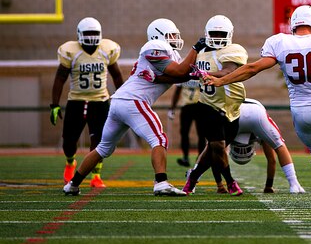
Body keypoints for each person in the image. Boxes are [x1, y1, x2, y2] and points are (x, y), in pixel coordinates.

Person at [204, 5, 311, 206]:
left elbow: (252, 68)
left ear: (293, 25)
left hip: (299, 114)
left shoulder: (279, 42)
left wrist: (221, 81)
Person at [63, 18, 207, 196]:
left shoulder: (169, 55)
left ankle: (72, 184)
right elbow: (180, 72)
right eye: (171, 35)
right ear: (158, 35)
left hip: (119, 102)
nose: (175, 38)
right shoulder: (153, 46)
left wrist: (200, 74)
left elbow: (180, 76)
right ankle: (161, 182)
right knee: (159, 139)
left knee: (103, 148)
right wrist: (195, 49)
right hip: (133, 101)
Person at [50, 17, 124, 188]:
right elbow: (60, 78)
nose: (91, 37)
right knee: (69, 141)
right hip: (76, 100)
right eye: (88, 33)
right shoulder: (71, 51)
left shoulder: (106, 50)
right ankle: (70, 163)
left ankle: (96, 176)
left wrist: (121, 97)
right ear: (79, 34)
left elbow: (117, 76)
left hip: (100, 101)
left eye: (94, 33)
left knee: (99, 141)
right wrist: (54, 104)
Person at [182, 15, 247, 197]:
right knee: (217, 145)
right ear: (206, 34)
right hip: (207, 105)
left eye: (221, 33)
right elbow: (183, 71)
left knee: (213, 149)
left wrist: (208, 74)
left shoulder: (234, 50)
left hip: (231, 109)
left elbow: (230, 70)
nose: (218, 36)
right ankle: (231, 182)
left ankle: (193, 178)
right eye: (214, 33)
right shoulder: (200, 53)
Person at [223, 98, 305, 193]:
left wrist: (220, 184)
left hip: (233, 111)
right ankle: (294, 183)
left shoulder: (229, 136)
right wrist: (268, 186)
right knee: (279, 145)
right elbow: (271, 160)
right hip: (254, 111)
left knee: (214, 148)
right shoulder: (259, 133)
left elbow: (215, 154)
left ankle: (294, 184)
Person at [168, 80, 204, 167]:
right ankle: (185, 157)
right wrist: (172, 108)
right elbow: (177, 91)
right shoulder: (184, 73)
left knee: (202, 133)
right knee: (184, 132)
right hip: (186, 106)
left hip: (200, 106)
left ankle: (201, 158)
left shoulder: (201, 71)